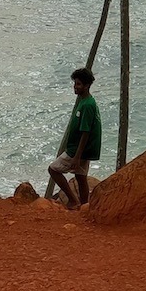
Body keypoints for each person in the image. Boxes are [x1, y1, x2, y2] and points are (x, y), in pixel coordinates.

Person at [46, 67, 101, 207]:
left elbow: (85, 132)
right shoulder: (84, 101)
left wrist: (77, 156)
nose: (75, 87)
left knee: (53, 169)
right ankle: (84, 206)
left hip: (78, 149)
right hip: (82, 149)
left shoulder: (87, 105)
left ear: (87, 86)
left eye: (78, 84)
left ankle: (73, 200)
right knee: (81, 177)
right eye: (75, 83)